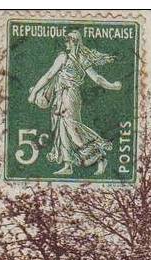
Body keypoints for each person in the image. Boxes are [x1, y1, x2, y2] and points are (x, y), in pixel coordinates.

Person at [27, 31, 121, 176]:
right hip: (60, 96)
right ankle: (68, 164)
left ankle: (99, 157)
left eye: (68, 40)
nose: (67, 42)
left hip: (71, 96)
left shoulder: (77, 58)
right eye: (66, 40)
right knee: (61, 129)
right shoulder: (64, 56)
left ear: (74, 41)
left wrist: (112, 86)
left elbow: (97, 78)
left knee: (72, 128)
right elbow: (49, 75)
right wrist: (34, 92)